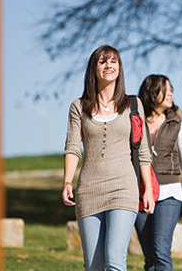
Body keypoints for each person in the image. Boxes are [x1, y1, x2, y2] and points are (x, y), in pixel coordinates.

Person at [62, 45, 155, 271]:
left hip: (124, 189)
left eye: (113, 61)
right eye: (102, 61)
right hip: (89, 190)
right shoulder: (78, 106)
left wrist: (148, 189)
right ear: (93, 69)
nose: (108, 65)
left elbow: (142, 149)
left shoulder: (133, 105)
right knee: (94, 266)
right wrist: (67, 182)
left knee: (115, 261)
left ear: (119, 68)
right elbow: (73, 147)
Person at [134, 74, 182, 271]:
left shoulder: (177, 125)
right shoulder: (136, 122)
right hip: (140, 194)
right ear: (151, 92)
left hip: (169, 194)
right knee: (149, 255)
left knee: (160, 250)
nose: (170, 93)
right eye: (165, 89)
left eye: (171, 89)